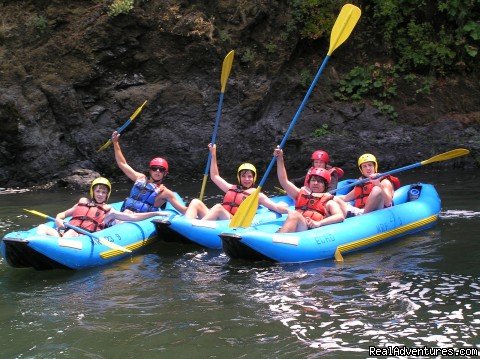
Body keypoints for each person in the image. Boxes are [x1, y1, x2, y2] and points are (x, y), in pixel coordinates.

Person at [185, 143, 289, 220]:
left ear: (254, 178)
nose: (247, 179)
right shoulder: (231, 188)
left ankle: (196, 227)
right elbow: (214, 176)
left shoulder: (257, 195)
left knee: (218, 207)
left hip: (232, 221)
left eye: (249, 176)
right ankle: (187, 225)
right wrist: (213, 154)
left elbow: (275, 207)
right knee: (195, 202)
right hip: (219, 217)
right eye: (244, 176)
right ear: (239, 178)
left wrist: (290, 211)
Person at [36, 177, 162, 237]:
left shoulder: (109, 211)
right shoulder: (82, 202)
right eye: (98, 191)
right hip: (66, 233)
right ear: (93, 192)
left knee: (73, 232)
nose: (100, 194)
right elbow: (62, 215)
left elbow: (133, 217)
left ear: (107, 195)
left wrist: (155, 214)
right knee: (42, 227)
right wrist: (58, 220)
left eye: (103, 192)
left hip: (82, 238)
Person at [111, 131, 187, 214]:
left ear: (165, 173)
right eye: (155, 168)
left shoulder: (165, 193)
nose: (157, 171)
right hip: (125, 213)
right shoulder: (140, 178)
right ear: (150, 170)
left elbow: (183, 211)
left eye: (161, 169)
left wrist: (195, 206)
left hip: (141, 220)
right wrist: (115, 143)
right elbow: (122, 164)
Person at [274, 147, 345, 233]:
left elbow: (340, 216)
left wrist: (318, 223)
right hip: (301, 225)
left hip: (312, 230)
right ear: (309, 182)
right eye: (313, 180)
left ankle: (280, 238)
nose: (315, 183)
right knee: (294, 214)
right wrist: (280, 158)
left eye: (319, 182)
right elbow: (283, 180)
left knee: (294, 213)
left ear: (325, 185)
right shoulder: (300, 194)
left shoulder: (328, 202)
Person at [335, 153, 400, 217]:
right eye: (364, 166)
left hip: (378, 211)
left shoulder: (384, 181)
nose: (368, 168)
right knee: (334, 199)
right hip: (360, 211)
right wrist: (329, 197)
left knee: (377, 189)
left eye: (370, 165)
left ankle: (363, 216)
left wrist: (379, 185)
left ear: (375, 166)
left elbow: (388, 203)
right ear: (361, 169)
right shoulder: (362, 183)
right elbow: (346, 198)